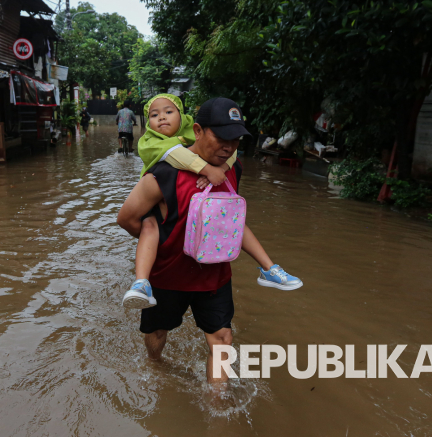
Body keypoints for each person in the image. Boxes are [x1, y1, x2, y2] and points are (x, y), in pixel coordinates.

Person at [117, 97, 303, 383]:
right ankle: (156, 371)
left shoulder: (232, 168)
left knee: (223, 338)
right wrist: (159, 243)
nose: (229, 146)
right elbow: (127, 218)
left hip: (214, 276)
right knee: (156, 333)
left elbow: (231, 221)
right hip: (168, 277)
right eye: (222, 137)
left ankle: (217, 409)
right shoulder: (163, 173)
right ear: (199, 131)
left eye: (236, 139)